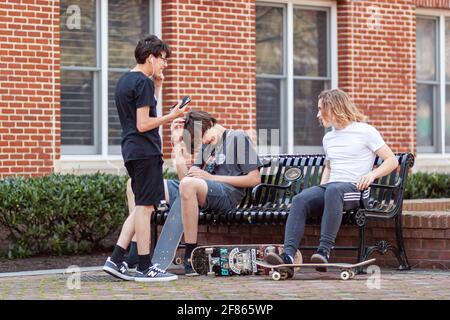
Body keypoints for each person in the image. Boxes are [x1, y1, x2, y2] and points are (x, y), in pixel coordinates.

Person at [265, 88, 399, 277]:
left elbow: (392, 161)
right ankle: (288, 256)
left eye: (321, 109)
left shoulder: (365, 131)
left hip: (357, 190)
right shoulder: (329, 137)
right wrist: (319, 190)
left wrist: (371, 175)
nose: (318, 114)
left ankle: (324, 251)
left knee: (334, 190)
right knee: (300, 199)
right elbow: (328, 168)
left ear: (334, 107)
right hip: (333, 189)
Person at [124, 110, 262, 276]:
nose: (204, 141)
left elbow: (255, 179)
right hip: (200, 190)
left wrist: (212, 177)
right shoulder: (206, 146)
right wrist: (177, 144)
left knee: (189, 186)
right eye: (200, 140)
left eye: (204, 136)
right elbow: (185, 181)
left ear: (210, 123)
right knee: (135, 184)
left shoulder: (238, 138)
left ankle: (191, 255)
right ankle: (135, 251)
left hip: (227, 194)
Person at [103, 34, 190, 282]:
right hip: (144, 151)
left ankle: (116, 259)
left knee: (143, 204)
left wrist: (159, 85)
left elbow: (145, 111)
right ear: (151, 57)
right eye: (162, 59)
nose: (165, 64)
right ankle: (144, 267)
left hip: (131, 150)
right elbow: (144, 124)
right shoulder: (142, 82)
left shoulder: (126, 81)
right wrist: (173, 116)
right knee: (145, 207)